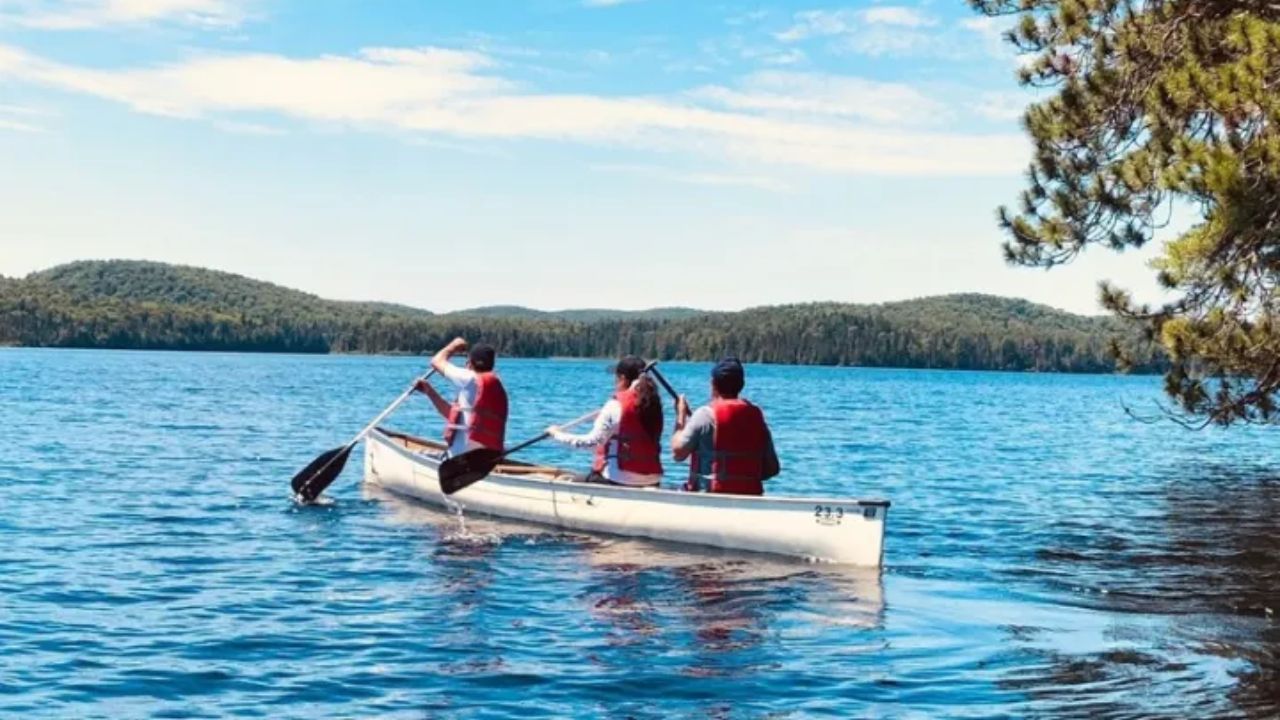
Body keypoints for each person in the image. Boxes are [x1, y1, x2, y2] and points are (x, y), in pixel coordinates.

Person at [546, 355, 664, 488]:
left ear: (622, 379)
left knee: (570, 480)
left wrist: (556, 434)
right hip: (652, 480)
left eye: (616, 378)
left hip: (618, 479)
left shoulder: (615, 405)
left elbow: (591, 443)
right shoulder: (653, 405)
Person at [671, 357, 780, 495]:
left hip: (710, 497)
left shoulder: (704, 415)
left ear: (713, 384)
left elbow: (677, 454)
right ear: (742, 384)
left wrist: (680, 415)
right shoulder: (756, 417)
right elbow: (772, 468)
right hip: (750, 497)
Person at [414, 337, 508, 457]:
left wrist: (453, 346)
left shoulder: (467, 378)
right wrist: (429, 391)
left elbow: (436, 361)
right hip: (485, 462)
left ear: (470, 363)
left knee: (418, 454)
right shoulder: (495, 385)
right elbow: (457, 418)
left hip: (458, 461)